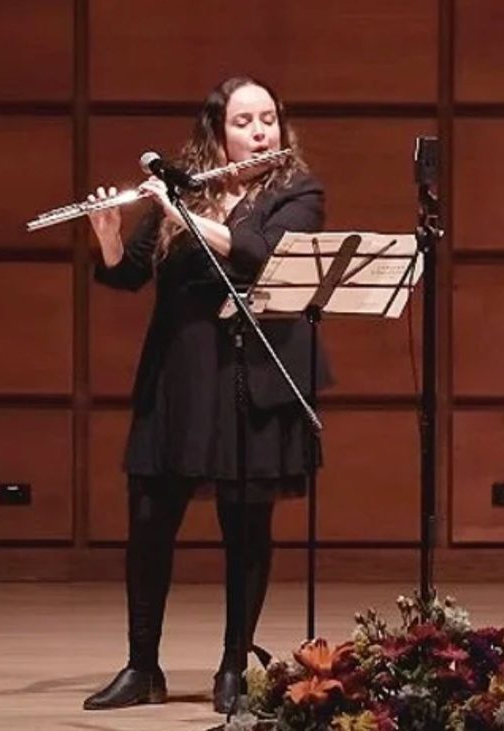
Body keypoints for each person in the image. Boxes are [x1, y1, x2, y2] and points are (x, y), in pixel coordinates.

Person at [81, 76, 327, 714]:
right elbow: (128, 275)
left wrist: (181, 214)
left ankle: (233, 666)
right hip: (180, 374)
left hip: (253, 373)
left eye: (268, 119)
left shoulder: (296, 191)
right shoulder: (184, 189)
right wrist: (109, 234)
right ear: (217, 132)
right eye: (244, 121)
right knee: (148, 519)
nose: (260, 132)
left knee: (246, 525)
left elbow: (259, 254)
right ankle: (142, 667)